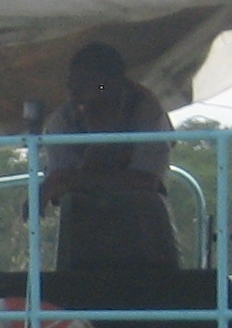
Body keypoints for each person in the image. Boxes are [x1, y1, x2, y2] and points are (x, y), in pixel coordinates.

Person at [39, 42, 179, 270]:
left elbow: (146, 181)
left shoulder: (147, 112)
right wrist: (96, 145)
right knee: (74, 205)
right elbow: (61, 187)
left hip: (143, 224)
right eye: (73, 88)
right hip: (84, 222)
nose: (79, 98)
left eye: (95, 87)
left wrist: (72, 180)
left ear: (118, 86)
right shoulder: (61, 121)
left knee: (145, 203)